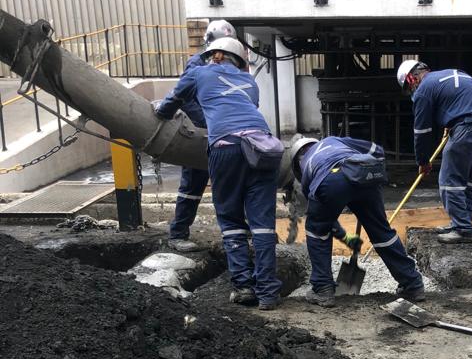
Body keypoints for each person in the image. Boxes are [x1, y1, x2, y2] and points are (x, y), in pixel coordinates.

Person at [155, 36, 284, 310]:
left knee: (231, 218)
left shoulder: (199, 73)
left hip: (226, 148)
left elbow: (174, 100)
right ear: (238, 61)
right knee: (262, 223)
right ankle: (269, 294)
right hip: (263, 147)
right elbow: (242, 108)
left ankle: (244, 287)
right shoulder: (250, 82)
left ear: (214, 55)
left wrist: (162, 112)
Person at [290, 135, 426, 308]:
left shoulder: (307, 167)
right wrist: (372, 175)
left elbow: (324, 220)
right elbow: (377, 150)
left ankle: (322, 289)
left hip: (332, 179)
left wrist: (339, 233)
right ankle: (413, 284)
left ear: (297, 163)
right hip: (362, 173)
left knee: (316, 231)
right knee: (381, 231)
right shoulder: (334, 140)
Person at [397, 61, 472, 243]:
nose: (412, 92)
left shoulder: (424, 89)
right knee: (470, 179)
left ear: (412, 79)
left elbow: (422, 131)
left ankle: (463, 229)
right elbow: (462, 99)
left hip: (469, 125)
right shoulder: (449, 73)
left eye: (409, 88)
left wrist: (423, 161)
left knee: (450, 179)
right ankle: (462, 222)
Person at [167, 19, 237, 252]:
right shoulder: (197, 65)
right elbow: (184, 97)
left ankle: (237, 233)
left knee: (230, 184)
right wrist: (209, 122)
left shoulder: (230, 66)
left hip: (223, 134)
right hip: (201, 134)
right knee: (192, 185)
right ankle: (178, 234)